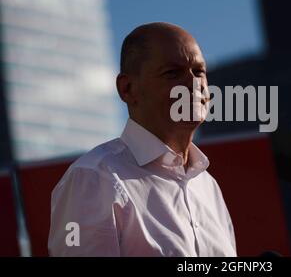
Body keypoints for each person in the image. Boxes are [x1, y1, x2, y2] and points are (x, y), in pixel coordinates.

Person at [48, 22, 237, 256]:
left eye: (199, 71)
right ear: (128, 88)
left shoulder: (208, 186)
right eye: (172, 73)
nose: (193, 83)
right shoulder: (93, 178)